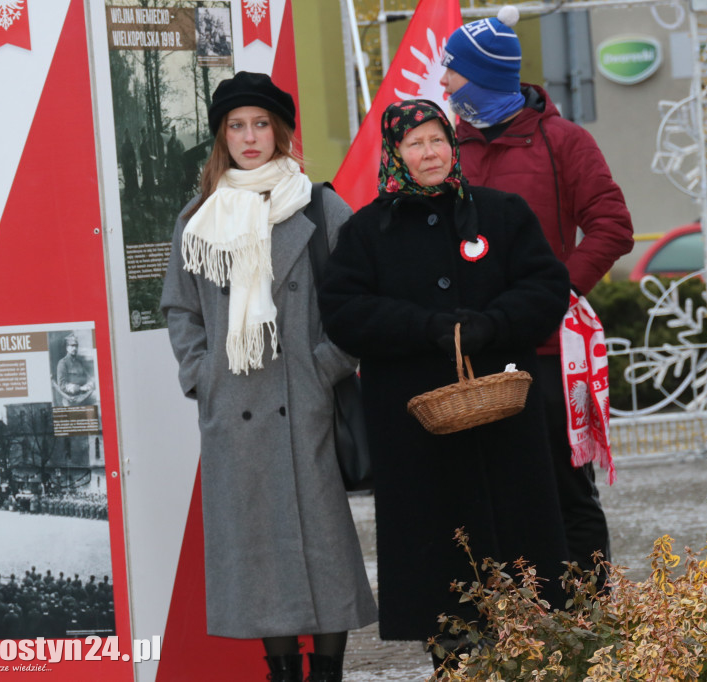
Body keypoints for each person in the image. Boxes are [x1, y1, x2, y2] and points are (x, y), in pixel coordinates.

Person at [317, 99, 571, 665]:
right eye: (415, 144)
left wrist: (492, 325)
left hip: (505, 428)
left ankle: (530, 662)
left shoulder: (503, 214)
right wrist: (424, 327)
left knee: (520, 560)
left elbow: (547, 286)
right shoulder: (365, 233)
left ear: (452, 146)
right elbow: (343, 312)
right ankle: (453, 667)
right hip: (416, 437)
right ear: (395, 154)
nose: (428, 153)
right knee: (444, 575)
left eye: (437, 140)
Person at [160, 71, 376, 682]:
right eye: (236, 126)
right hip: (235, 409)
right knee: (259, 550)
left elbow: (361, 297)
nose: (249, 137)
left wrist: (324, 365)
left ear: (280, 132)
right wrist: (203, 375)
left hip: (305, 401)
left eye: (260, 125)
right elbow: (180, 308)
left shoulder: (320, 204)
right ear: (221, 137)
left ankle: (328, 671)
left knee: (322, 544)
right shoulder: (199, 218)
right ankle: (280, 670)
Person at [440, 6, 634, 574]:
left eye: (453, 71)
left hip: (547, 351)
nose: (445, 83)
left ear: (484, 77)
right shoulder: (446, 148)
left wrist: (556, 291)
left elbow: (612, 226)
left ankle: (588, 626)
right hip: (474, 351)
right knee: (494, 494)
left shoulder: (564, 141)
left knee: (566, 490)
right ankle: (518, 626)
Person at [55, 333, 96, 406]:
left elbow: (88, 377)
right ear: (67, 348)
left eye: (76, 346)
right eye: (72, 346)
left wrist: (89, 384)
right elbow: (62, 385)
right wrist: (80, 388)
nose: (75, 348)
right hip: (70, 401)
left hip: (83, 399)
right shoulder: (62, 363)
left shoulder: (79, 363)